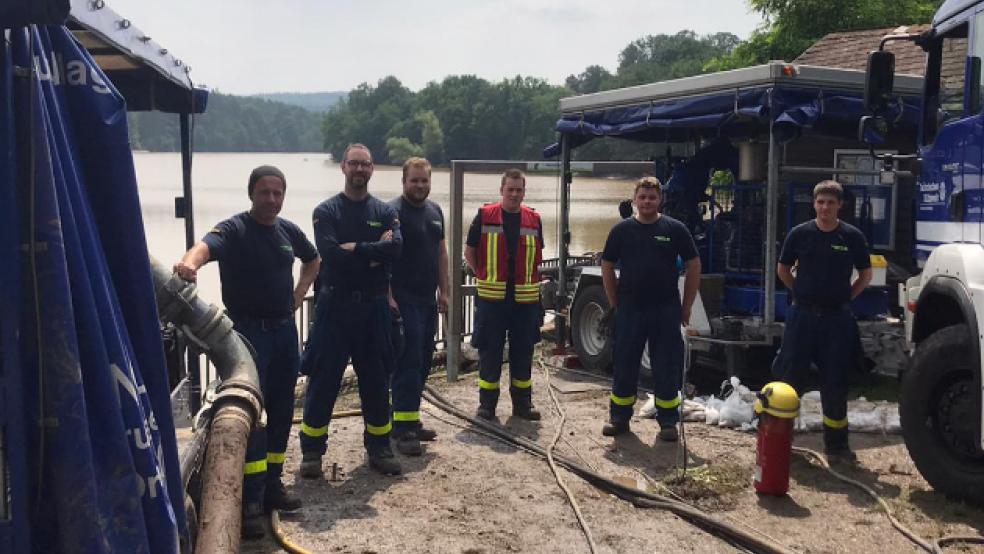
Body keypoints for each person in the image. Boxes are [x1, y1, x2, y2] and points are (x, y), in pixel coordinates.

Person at [172, 165, 320, 539]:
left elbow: (313, 259)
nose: (271, 199)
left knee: (284, 409)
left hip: (284, 331)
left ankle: (273, 484)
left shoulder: (288, 231)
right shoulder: (236, 229)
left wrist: (299, 293)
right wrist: (189, 265)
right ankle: (250, 501)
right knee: (250, 414)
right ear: (251, 193)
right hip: (248, 334)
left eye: (277, 193)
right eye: (264, 192)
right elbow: (205, 247)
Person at [299, 143, 404, 477]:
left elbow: (396, 249)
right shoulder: (326, 211)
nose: (360, 170)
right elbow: (330, 255)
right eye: (354, 164)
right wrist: (374, 254)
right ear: (343, 167)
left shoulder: (385, 212)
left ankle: (380, 448)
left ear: (372, 170)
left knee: (375, 379)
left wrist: (356, 248)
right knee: (323, 380)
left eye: (366, 165)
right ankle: (312, 452)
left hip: (373, 309)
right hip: (335, 306)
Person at [771, 180, 872, 461]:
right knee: (790, 378)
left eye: (830, 202)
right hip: (802, 316)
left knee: (835, 381)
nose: (825, 207)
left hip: (837, 319)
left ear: (840, 205)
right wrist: (800, 293)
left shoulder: (851, 236)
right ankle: (780, 439)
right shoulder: (799, 234)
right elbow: (783, 269)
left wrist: (845, 297)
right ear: (813, 204)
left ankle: (837, 446)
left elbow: (865, 274)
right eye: (820, 202)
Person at [600, 176, 701, 442]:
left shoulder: (675, 229)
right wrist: (614, 303)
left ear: (660, 200)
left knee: (666, 364)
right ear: (634, 200)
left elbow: (694, 264)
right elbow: (607, 265)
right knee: (624, 363)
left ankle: (668, 421)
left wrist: (687, 305)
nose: (647, 202)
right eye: (642, 197)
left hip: (665, 308)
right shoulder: (621, 231)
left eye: (652, 197)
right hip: (630, 308)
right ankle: (619, 418)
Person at [464, 168, 544, 421]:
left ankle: (523, 405)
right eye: (510, 189)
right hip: (492, 299)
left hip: (525, 299)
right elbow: (470, 251)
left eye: (518, 190)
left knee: (523, 351)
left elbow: (537, 256)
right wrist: (483, 274)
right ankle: (487, 405)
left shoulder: (534, 218)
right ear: (501, 191)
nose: (514, 194)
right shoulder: (484, 215)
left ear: (524, 192)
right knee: (490, 351)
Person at [388, 157, 449, 456]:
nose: (420, 185)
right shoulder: (392, 213)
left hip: (427, 300)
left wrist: (445, 291)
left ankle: (407, 416)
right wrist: (388, 296)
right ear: (404, 182)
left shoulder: (435, 212)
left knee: (425, 359)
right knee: (408, 360)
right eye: (414, 180)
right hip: (403, 299)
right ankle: (403, 429)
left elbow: (441, 253)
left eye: (424, 181)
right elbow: (383, 258)